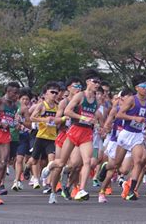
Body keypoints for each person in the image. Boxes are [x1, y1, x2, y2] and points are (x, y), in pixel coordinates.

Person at [41, 69, 104, 202]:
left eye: (99, 82)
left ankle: (81, 189)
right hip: (74, 131)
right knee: (61, 162)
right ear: (88, 82)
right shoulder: (80, 96)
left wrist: (97, 125)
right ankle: (51, 166)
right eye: (95, 81)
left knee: (86, 162)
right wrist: (83, 117)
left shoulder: (97, 101)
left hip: (86, 133)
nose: (97, 84)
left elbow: (95, 116)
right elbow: (68, 112)